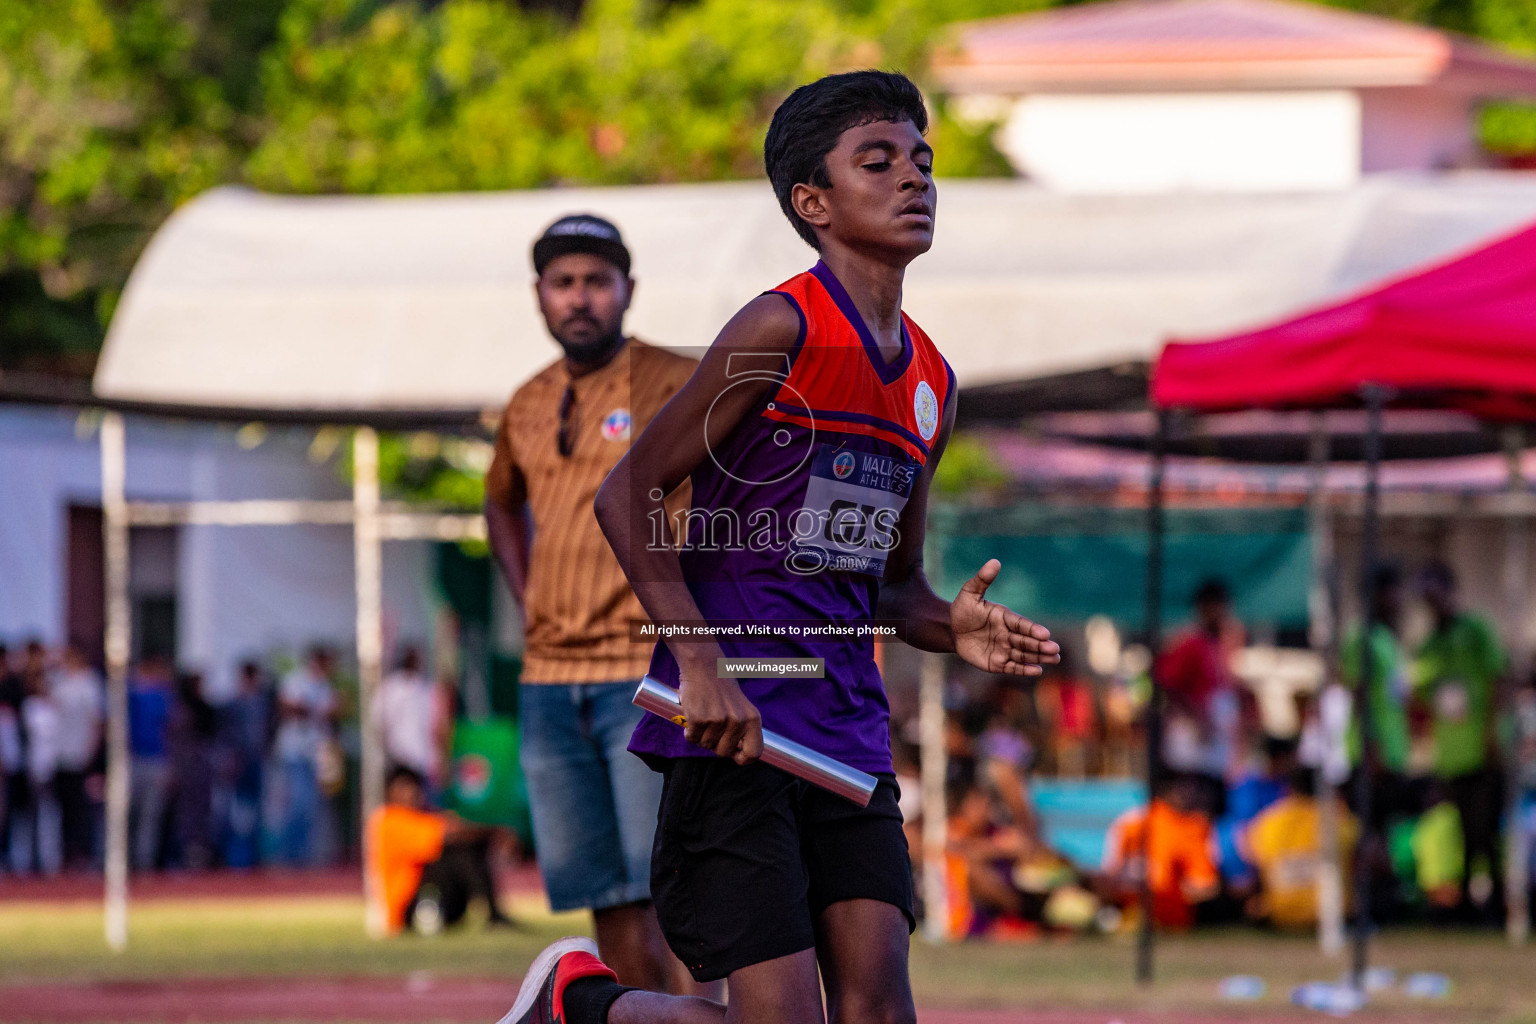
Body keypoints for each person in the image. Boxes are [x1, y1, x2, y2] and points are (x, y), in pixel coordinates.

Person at [509, 71, 1058, 1024]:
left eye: (923, 160)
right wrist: (701, 664)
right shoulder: (781, 327)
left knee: (880, 1013)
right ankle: (583, 1008)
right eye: (878, 161)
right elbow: (627, 493)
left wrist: (949, 624)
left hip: (849, 730)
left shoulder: (932, 379)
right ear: (815, 202)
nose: (914, 178)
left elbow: (890, 586)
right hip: (736, 723)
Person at [484, 212, 698, 992]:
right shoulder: (527, 401)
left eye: (596, 283)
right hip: (547, 683)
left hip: (645, 672)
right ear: (539, 295)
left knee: (671, 890)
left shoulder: (674, 381)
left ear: (627, 291)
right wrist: (525, 587)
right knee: (604, 898)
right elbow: (500, 502)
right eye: (563, 283)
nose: (580, 299)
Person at [1412, 561, 1507, 918]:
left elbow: (1497, 679)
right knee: (1461, 831)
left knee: (1486, 830)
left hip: (1481, 748)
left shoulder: (1476, 631)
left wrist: (1492, 734)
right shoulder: (1430, 645)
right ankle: (1466, 901)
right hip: (1450, 753)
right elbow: (1420, 693)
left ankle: (1495, 901)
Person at [366, 766, 514, 935]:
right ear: (389, 792)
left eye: (414, 786)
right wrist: (496, 832)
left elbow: (452, 828)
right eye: (404, 786)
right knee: (458, 852)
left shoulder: (421, 817)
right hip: (405, 910)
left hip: (432, 901)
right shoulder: (389, 820)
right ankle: (493, 913)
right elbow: (448, 833)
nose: (411, 792)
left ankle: (493, 912)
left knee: (470, 846)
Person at [1155, 579, 1245, 816]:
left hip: (1214, 749)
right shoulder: (1190, 643)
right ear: (1205, 607)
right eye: (1219, 606)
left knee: (1215, 807)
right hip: (1195, 750)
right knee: (1195, 809)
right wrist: (1197, 718)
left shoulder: (1217, 644)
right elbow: (1168, 684)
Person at [1243, 765, 1358, 930]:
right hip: (1333, 912)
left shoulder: (1267, 821)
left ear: (1289, 789)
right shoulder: (1339, 818)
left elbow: (1251, 859)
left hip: (1279, 913)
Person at [1102, 773, 1220, 930]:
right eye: (1181, 788)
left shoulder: (1198, 826)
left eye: (1193, 788)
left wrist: (1182, 883)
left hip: (1179, 915)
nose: (1188, 793)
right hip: (1133, 908)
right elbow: (1110, 871)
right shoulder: (1136, 820)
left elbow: (1205, 883)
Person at [274, 647, 338, 867]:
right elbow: (288, 707)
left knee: (312, 806)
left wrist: (310, 709)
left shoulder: (325, 686)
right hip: (295, 751)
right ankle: (287, 855)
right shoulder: (296, 680)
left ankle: (303, 856)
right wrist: (313, 710)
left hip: (317, 752)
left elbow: (333, 712)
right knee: (299, 803)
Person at [50, 646, 104, 870]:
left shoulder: (89, 684)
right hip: (59, 755)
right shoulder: (59, 683)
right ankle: (65, 854)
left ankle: (83, 853)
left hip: (81, 755)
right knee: (63, 808)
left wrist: (91, 753)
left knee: (82, 809)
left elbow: (97, 722)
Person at [218, 660, 271, 869]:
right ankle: (236, 859)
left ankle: (253, 857)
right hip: (239, 762)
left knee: (256, 811)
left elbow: (265, 731)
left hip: (256, 760)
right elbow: (227, 735)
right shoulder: (234, 703)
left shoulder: (261, 701)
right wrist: (229, 759)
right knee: (238, 813)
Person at [374, 646, 447, 791]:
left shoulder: (426, 688)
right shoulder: (390, 687)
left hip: (422, 760)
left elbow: (439, 725)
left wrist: (440, 758)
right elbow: (379, 724)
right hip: (399, 759)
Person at [127, 655, 174, 870]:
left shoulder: (163, 697)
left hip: (155, 760)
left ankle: (144, 862)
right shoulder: (129, 694)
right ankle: (122, 861)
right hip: (132, 760)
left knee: (150, 816)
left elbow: (171, 731)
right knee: (128, 814)